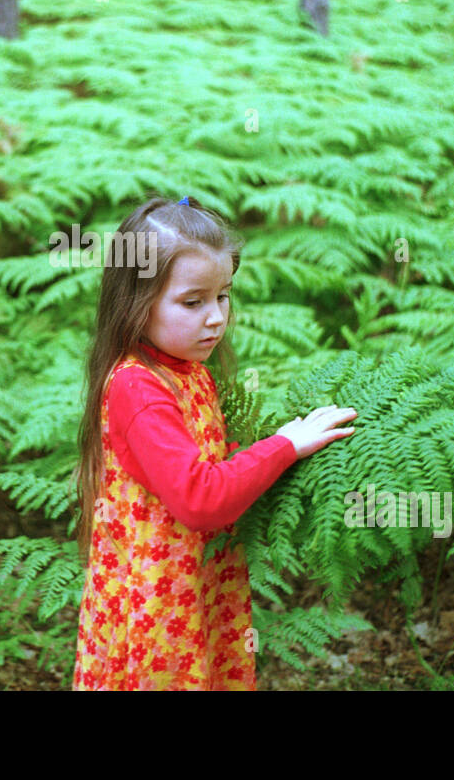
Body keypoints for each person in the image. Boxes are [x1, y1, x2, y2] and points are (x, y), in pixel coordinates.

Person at [71, 194, 357, 690]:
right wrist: (285, 445)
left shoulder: (186, 370)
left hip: (192, 588)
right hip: (157, 611)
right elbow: (201, 498)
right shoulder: (138, 387)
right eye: (193, 301)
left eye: (223, 295)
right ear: (135, 302)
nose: (215, 317)